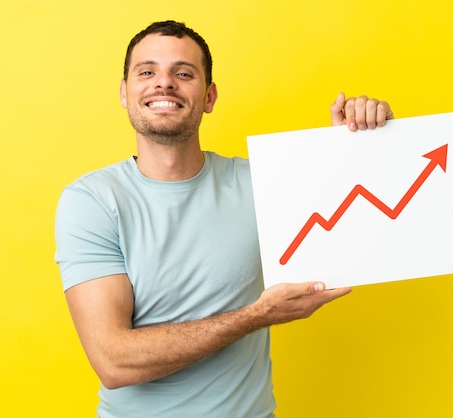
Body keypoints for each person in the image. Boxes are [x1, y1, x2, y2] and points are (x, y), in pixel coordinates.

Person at [54, 20, 393, 418]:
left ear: (209, 96)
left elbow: (364, 211)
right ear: (125, 93)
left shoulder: (262, 184)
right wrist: (256, 316)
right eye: (147, 72)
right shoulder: (92, 201)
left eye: (183, 73)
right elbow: (113, 361)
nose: (164, 83)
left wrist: (360, 143)